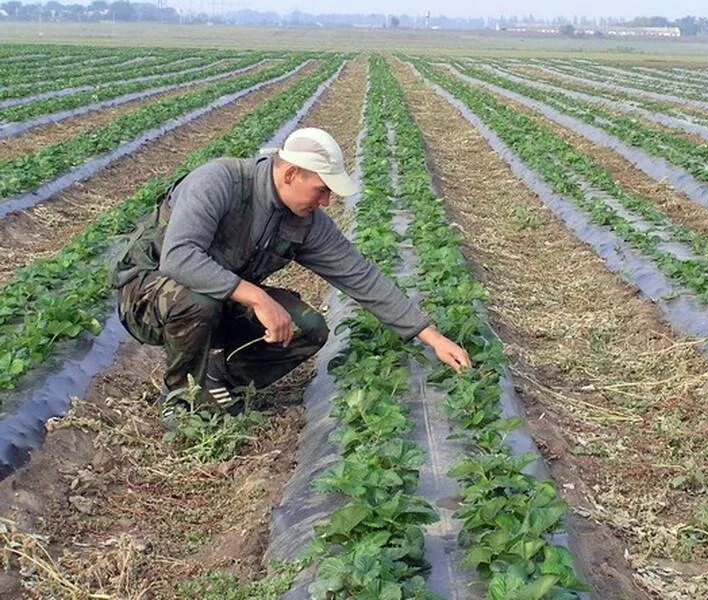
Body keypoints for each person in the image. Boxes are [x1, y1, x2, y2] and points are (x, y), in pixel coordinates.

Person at [110, 127, 471, 418]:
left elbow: (360, 276)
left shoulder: (306, 222)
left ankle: (219, 376)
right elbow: (179, 258)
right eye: (321, 190)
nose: (326, 202)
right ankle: (182, 399)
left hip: (216, 300)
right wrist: (258, 297)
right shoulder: (219, 182)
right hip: (148, 294)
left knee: (307, 327)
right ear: (291, 173)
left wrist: (431, 337)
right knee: (198, 301)